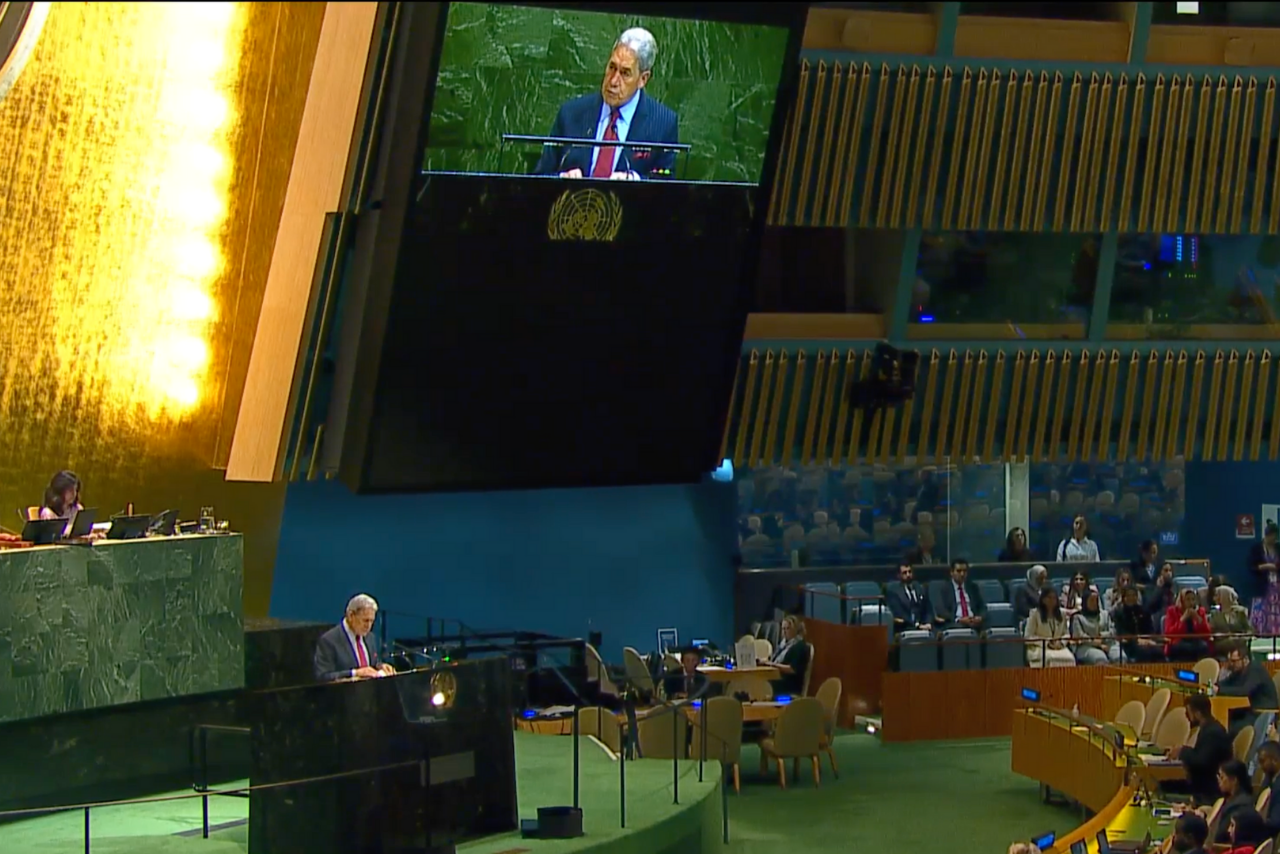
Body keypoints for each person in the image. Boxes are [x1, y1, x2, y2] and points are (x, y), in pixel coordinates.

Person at [532, 28, 679, 181]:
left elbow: (666, 183)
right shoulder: (571, 114)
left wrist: (636, 181)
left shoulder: (663, 124)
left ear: (643, 79)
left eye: (625, 73)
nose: (613, 81)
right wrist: (562, 178)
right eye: (612, 67)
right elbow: (540, 176)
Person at [313, 594, 395, 682]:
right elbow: (323, 676)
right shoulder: (329, 640)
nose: (369, 626)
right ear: (351, 615)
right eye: (365, 620)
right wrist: (354, 673)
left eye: (372, 621)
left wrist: (380, 667)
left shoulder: (370, 637)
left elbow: (370, 665)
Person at [1166, 695, 1233, 803]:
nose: (1186, 716)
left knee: (1162, 789)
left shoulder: (1213, 733)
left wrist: (1182, 751)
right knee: (1163, 783)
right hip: (1201, 784)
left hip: (1208, 793)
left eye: (1188, 713)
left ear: (1197, 713)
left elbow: (1201, 762)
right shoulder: (1208, 728)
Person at [1216, 642, 1280, 735]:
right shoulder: (1238, 670)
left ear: (1245, 660)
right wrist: (1214, 686)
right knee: (1222, 723)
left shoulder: (1255, 669)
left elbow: (1244, 691)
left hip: (1262, 713)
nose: (1231, 664)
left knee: (1230, 728)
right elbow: (1225, 683)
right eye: (1229, 660)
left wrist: (1219, 690)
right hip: (1248, 710)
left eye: (1234, 661)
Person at [1024, 587, 1076, 668]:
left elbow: (1066, 634)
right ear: (1043, 599)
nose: (1052, 600)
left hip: (1059, 647)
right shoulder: (1035, 614)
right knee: (1051, 659)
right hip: (1040, 647)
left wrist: (1061, 643)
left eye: (1054, 598)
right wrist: (1048, 643)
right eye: (1049, 598)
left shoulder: (1062, 614)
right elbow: (1028, 637)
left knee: (1070, 658)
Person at [1114, 585, 1164, 662]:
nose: (1131, 598)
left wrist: (1149, 639)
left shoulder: (1143, 611)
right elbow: (1121, 632)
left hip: (1147, 641)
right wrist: (1137, 640)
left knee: (1158, 652)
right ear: (1124, 598)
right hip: (1129, 644)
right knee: (1144, 652)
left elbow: (1150, 629)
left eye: (1134, 595)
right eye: (1129, 596)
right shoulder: (1119, 613)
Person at [1210, 760, 1256, 844]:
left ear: (1234, 780)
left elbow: (1219, 835)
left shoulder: (1239, 806)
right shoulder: (1235, 799)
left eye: (1222, 777)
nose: (1219, 781)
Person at [934, 558, 986, 630]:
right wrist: (958, 619)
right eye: (958, 571)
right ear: (951, 572)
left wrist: (980, 617)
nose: (962, 574)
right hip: (955, 624)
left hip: (973, 623)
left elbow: (982, 607)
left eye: (964, 571)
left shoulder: (973, 587)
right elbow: (941, 610)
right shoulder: (944, 589)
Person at [1072, 589, 1120, 664]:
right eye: (1091, 600)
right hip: (1087, 646)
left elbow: (1113, 631)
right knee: (1100, 659)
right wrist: (1099, 644)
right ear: (1085, 602)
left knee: (1120, 657)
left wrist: (1102, 635)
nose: (1094, 603)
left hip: (1108, 643)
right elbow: (1079, 636)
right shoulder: (1078, 617)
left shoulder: (1105, 614)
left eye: (1096, 600)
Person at [1248, 522, 1280, 634]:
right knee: (1261, 609)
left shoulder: (1278, 548)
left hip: (1276, 586)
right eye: (1273, 537)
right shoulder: (1256, 549)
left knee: (1276, 610)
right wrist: (1266, 566)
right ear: (1268, 535)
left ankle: (1275, 632)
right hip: (1262, 586)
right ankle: (1261, 632)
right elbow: (1252, 567)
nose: (1274, 539)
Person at [767, 614, 811, 696]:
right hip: (777, 678)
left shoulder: (800, 646)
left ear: (795, 629)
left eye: (787, 628)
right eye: (783, 629)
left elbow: (792, 669)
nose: (784, 632)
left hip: (788, 684)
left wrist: (774, 665)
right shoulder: (782, 645)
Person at [1165, 587, 1212, 662]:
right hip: (1179, 641)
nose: (1191, 602)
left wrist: (1198, 618)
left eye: (1193, 599)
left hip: (1196, 640)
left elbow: (1207, 633)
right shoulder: (1172, 611)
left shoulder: (1200, 611)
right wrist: (1183, 619)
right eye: (1188, 599)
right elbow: (1169, 633)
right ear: (1182, 601)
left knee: (1204, 646)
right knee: (1181, 648)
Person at [885, 562, 933, 631]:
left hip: (924, 626)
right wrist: (917, 626)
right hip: (905, 627)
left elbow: (928, 609)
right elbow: (900, 613)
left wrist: (928, 623)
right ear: (898, 575)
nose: (908, 575)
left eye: (910, 572)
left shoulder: (919, 587)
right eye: (905, 573)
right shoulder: (893, 591)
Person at [1256, 741, 1280, 834]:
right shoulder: (1268, 779)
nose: (1260, 766)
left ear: (1275, 760)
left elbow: (1276, 821)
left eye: (1262, 761)